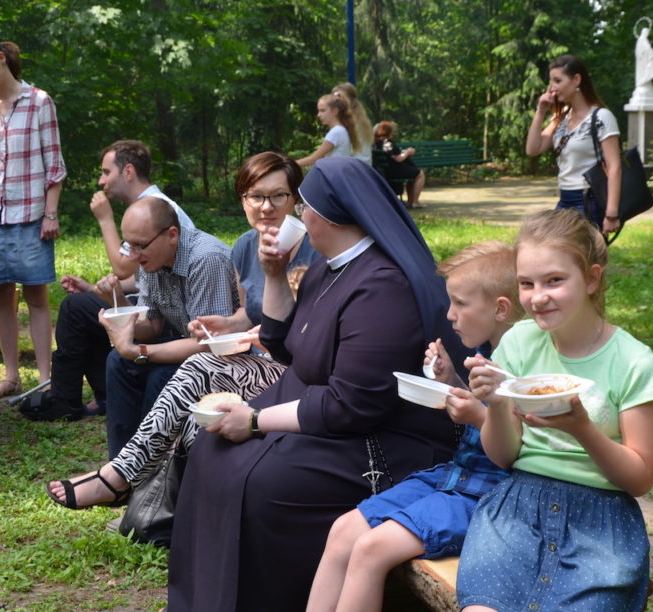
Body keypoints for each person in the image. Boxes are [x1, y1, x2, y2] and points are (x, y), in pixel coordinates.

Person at [167, 157, 471, 611]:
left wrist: (254, 421)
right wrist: (274, 276)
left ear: (329, 216)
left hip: (382, 439)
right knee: (212, 449)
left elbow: (353, 405)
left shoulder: (382, 287)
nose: (297, 216)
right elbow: (284, 345)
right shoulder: (327, 269)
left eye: (303, 206)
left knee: (264, 482)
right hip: (324, 418)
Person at [45, 152, 318, 509]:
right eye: (256, 196)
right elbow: (246, 314)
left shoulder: (314, 248)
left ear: (296, 199)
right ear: (243, 200)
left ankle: (122, 479)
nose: (266, 207)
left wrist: (141, 351)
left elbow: (314, 326)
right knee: (120, 362)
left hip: (292, 368)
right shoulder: (244, 246)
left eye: (278, 196)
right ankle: (125, 474)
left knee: (185, 369)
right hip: (248, 357)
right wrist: (227, 323)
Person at [456, 208, 653, 611]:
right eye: (526, 283)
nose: (538, 297)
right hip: (515, 513)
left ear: (591, 279)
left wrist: (582, 428)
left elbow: (640, 478)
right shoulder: (518, 343)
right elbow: (504, 456)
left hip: (602, 523)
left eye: (554, 280)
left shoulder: (632, 361)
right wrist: (496, 402)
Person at [306, 241, 521, 612]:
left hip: (488, 496)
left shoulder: (526, 364)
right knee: (343, 530)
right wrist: (452, 380)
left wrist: (476, 414)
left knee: (371, 550)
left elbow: (519, 448)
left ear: (501, 309)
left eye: (460, 304)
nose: (450, 315)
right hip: (455, 477)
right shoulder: (488, 351)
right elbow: (482, 407)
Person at [21, 140, 194, 421]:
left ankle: (66, 399)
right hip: (161, 304)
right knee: (86, 306)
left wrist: (104, 219)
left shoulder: (154, 209)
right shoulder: (150, 205)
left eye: (106, 172)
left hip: (174, 318)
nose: (101, 181)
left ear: (128, 172)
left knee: (77, 309)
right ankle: (104, 394)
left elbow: (124, 267)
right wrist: (95, 289)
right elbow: (146, 276)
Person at [0, 33, 67, 400]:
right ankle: (10, 377)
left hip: (32, 217)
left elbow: (54, 166)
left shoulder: (39, 102)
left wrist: (50, 214)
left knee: (37, 298)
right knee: (1, 299)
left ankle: (45, 379)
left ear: (1, 59)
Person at [97, 197, 237, 459]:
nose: (133, 256)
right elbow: (152, 326)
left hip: (226, 358)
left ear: (172, 234)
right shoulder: (151, 261)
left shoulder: (205, 258)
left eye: (140, 246)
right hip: (188, 345)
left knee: (161, 377)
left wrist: (140, 351)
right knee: (118, 361)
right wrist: (118, 305)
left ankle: (153, 464)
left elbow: (210, 345)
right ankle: (122, 462)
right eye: (129, 245)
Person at [525, 54, 622, 234]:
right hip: (565, 198)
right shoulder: (562, 118)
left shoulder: (601, 117)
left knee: (584, 253)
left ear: (576, 79)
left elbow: (614, 167)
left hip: (588, 200)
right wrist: (541, 111)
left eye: (558, 80)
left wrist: (611, 214)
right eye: (551, 81)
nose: (552, 87)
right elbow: (532, 149)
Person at [295, 92, 369, 167]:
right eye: (319, 111)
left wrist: (290, 165)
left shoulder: (336, 132)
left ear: (335, 111)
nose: (318, 115)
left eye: (322, 110)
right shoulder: (341, 130)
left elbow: (313, 159)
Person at [373, 120, 425, 209]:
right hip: (394, 170)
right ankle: (415, 201)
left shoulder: (377, 143)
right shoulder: (387, 142)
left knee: (413, 173)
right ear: (389, 132)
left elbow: (393, 155)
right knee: (420, 174)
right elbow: (398, 159)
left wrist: (404, 153)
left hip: (386, 170)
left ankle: (411, 201)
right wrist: (408, 152)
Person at [332, 82, 373, 164]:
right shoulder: (362, 120)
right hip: (363, 165)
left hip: (354, 166)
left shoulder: (349, 122)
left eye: (338, 97)